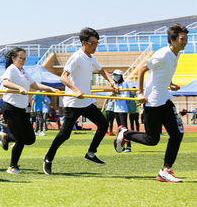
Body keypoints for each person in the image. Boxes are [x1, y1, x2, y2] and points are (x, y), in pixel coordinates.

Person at [115, 23, 188, 183]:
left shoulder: (176, 54)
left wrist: (170, 83)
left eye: (186, 38)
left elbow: (162, 73)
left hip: (165, 100)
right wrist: (140, 93)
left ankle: (165, 171)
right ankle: (125, 133)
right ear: (172, 40)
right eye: (182, 39)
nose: (185, 42)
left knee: (177, 134)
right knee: (152, 140)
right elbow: (142, 69)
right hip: (153, 103)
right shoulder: (162, 54)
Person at [43, 28, 118, 175]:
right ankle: (48, 158)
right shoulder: (76, 57)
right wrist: (75, 89)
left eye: (97, 43)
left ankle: (90, 153)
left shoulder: (91, 58)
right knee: (65, 135)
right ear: (84, 43)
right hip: (74, 103)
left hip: (87, 102)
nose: (95, 46)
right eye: (92, 43)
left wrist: (112, 83)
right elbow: (63, 77)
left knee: (103, 125)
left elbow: (102, 71)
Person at [0, 48, 59, 174]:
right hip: (10, 108)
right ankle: (12, 166)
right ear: (13, 58)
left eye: (25, 58)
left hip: (22, 109)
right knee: (20, 140)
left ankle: (6, 137)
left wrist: (50, 89)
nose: (23, 60)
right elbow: (5, 82)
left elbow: (34, 84)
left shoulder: (23, 71)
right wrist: (19, 87)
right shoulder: (11, 69)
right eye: (21, 58)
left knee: (30, 139)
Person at [112, 70, 132, 152]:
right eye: (114, 75)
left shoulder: (124, 84)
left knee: (124, 129)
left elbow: (126, 96)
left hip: (123, 109)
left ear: (120, 76)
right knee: (119, 129)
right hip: (116, 109)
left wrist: (117, 94)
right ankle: (120, 147)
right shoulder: (115, 85)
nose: (115, 76)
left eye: (116, 75)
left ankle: (129, 147)